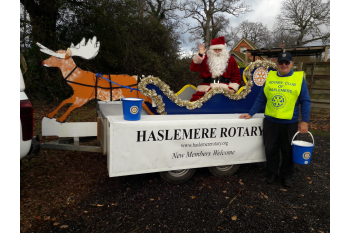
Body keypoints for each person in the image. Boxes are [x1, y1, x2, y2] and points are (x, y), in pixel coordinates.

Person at [239, 52, 311, 187]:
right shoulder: (270, 77)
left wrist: (304, 121)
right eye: (281, 62)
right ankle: (272, 173)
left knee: (288, 151)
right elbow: (261, 98)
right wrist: (251, 113)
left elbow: (305, 101)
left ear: (291, 64)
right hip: (271, 121)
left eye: (286, 62)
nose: (284, 65)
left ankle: (287, 176)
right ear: (276, 64)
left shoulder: (298, 79)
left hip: (289, 122)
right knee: (271, 150)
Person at [190, 36, 241, 102]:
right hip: (206, 89)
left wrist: (232, 88)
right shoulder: (205, 58)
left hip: (224, 89)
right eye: (215, 49)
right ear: (211, 49)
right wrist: (200, 55)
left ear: (223, 49)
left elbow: (236, 75)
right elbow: (194, 68)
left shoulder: (230, 59)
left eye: (219, 49)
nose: (217, 51)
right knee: (195, 105)